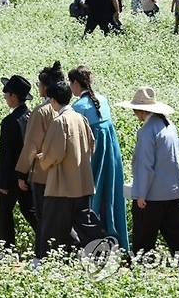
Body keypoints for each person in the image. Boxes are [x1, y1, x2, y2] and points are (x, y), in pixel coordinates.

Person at [118, 87, 179, 255]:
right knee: (177, 233)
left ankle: (140, 267)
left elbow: (145, 165)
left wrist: (141, 194)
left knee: (143, 237)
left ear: (141, 110)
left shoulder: (147, 131)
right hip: (172, 192)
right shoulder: (168, 125)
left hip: (152, 195)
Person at [69, 66, 128, 250]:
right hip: (111, 156)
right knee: (110, 195)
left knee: (91, 198)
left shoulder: (78, 107)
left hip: (93, 158)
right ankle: (117, 241)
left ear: (76, 83)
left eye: (71, 83)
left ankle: (95, 244)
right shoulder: (103, 100)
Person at [36, 81, 95, 258]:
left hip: (62, 186)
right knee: (81, 224)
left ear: (53, 101)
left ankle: (44, 259)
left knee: (51, 225)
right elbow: (92, 145)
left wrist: (41, 160)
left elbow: (54, 154)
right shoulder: (80, 118)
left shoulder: (59, 121)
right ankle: (92, 253)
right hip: (82, 183)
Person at [16, 61, 63, 261]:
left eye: (39, 84)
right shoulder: (65, 109)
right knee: (60, 217)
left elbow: (31, 145)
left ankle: (41, 256)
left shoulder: (41, 111)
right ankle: (62, 254)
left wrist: (21, 172)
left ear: (45, 87)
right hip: (62, 172)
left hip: (42, 173)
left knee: (43, 217)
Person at [0, 75, 37, 249]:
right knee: (31, 212)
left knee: (5, 213)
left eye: (6, 95)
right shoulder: (33, 117)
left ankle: (7, 250)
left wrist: (1, 183)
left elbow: (5, 155)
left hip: (11, 177)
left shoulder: (9, 122)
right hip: (29, 174)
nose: (5, 98)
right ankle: (48, 243)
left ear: (13, 96)